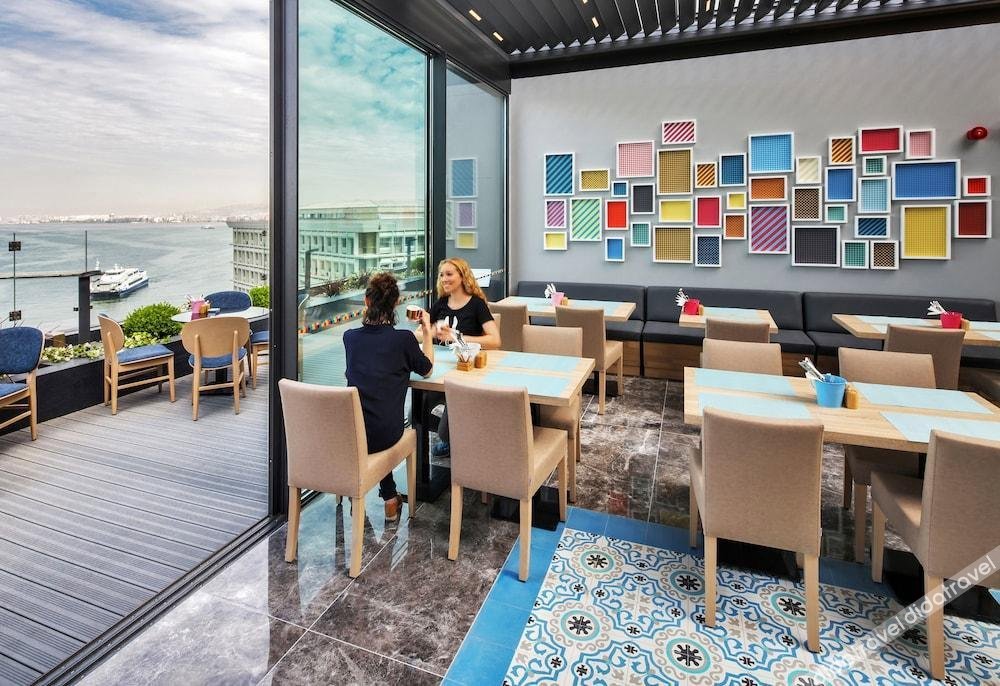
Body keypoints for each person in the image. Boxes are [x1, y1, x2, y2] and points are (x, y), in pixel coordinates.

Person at [344, 273, 434, 520]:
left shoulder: (349, 338)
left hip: (350, 434)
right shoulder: (403, 340)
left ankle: (387, 497)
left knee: (369, 415)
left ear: (366, 301)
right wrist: (427, 331)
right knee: (381, 420)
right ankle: (391, 500)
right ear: (395, 304)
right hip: (386, 433)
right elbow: (427, 370)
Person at [424, 257, 501, 457]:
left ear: (462, 276)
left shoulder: (477, 305)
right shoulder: (440, 304)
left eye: (449, 274)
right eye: (441, 275)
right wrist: (431, 331)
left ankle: (454, 435)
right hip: (441, 373)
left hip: (468, 374)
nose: (444, 279)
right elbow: (419, 334)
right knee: (415, 412)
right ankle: (456, 431)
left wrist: (456, 336)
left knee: (447, 424)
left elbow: (495, 340)